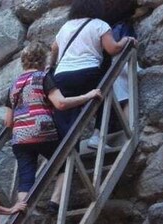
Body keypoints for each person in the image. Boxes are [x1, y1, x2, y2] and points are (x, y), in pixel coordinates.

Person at [5, 41, 102, 213]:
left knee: (26, 179)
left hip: (19, 138)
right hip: (42, 131)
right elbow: (60, 103)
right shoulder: (43, 78)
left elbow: (8, 122)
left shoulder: (13, 85)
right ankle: (55, 202)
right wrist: (87, 96)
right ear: (42, 60)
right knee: (66, 159)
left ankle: (25, 215)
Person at [49, 0, 135, 148]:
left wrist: (50, 66)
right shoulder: (99, 25)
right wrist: (126, 40)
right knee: (104, 94)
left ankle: (67, 156)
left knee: (69, 114)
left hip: (62, 76)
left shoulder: (66, 27)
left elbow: (53, 48)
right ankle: (97, 136)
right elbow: (112, 49)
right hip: (87, 72)